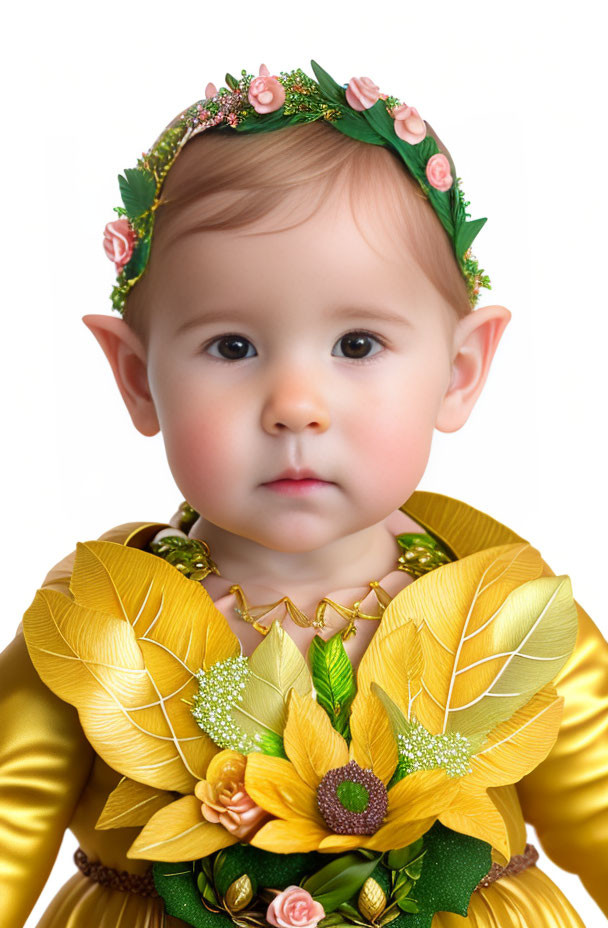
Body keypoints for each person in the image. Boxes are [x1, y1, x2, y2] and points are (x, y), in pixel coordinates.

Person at [0, 61, 606, 928]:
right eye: (233, 347)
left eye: (357, 344)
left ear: (460, 371)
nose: (295, 405)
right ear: (137, 377)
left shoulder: (514, 616)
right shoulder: (96, 621)